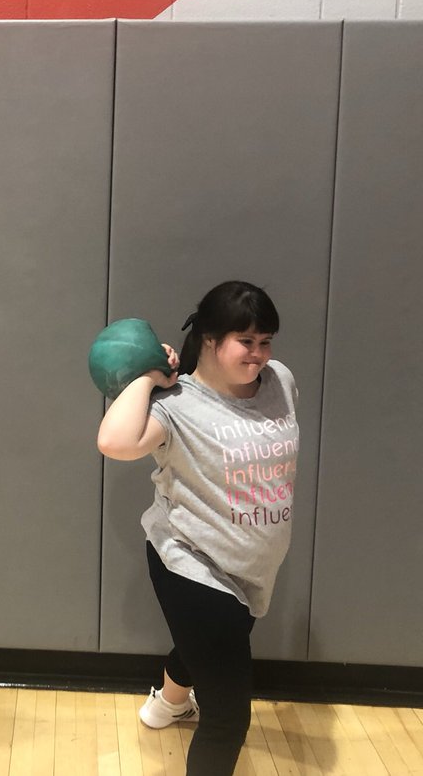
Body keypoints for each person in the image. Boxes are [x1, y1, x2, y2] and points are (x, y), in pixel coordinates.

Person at [97, 281, 298, 776]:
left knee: (207, 647)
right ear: (209, 339)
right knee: (228, 717)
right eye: (245, 342)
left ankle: (166, 704)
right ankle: (178, 708)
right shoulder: (177, 403)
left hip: (249, 566)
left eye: (266, 341)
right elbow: (114, 442)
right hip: (191, 561)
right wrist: (149, 377)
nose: (258, 355)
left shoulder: (281, 381)